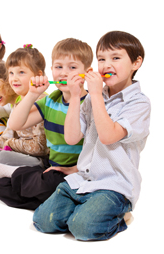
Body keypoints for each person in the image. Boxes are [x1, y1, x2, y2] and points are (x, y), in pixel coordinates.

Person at [33, 31, 151, 241]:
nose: (106, 65)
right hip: (84, 179)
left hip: (115, 185)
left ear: (136, 63)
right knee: (43, 221)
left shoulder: (139, 103)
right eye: (102, 59)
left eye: (115, 58)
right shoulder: (90, 98)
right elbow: (71, 137)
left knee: (83, 228)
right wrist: (77, 96)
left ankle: (121, 217)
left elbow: (108, 136)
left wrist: (95, 94)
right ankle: (85, 209)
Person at [0, 38, 93, 210]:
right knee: (11, 186)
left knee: (46, 182)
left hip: (79, 171)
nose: (64, 73)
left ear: (87, 73)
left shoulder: (90, 103)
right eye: (59, 67)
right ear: (51, 70)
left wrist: (75, 96)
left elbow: (74, 139)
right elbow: (15, 124)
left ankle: (26, 184)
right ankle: (37, 192)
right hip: (53, 167)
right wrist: (31, 93)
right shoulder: (51, 100)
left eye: (72, 67)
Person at [0, 44, 49, 191]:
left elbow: (40, 148)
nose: (14, 78)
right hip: (21, 154)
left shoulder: (41, 101)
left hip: (38, 161)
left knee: (1, 157)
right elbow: (6, 135)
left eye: (21, 72)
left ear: (38, 75)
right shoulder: (19, 102)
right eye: (11, 73)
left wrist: (7, 146)